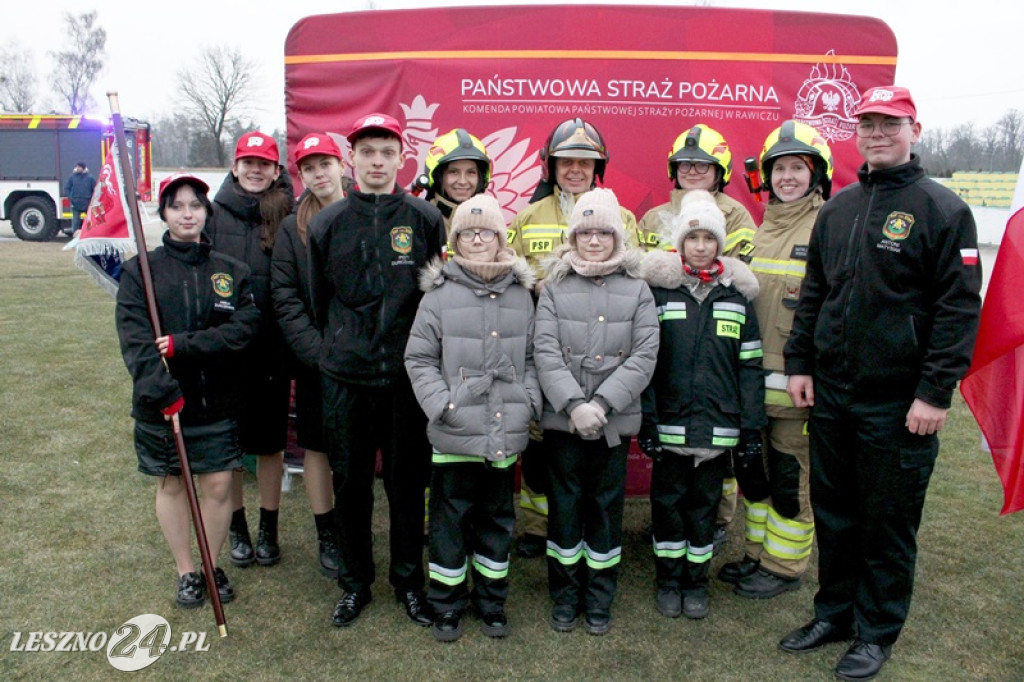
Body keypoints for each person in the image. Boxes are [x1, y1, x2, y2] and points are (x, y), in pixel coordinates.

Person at [781, 86, 982, 681]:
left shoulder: (943, 209)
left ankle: (876, 631)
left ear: (914, 129)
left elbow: (958, 310)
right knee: (836, 514)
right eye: (868, 124)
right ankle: (834, 614)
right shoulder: (838, 209)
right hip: (835, 395)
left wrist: (934, 391)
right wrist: (800, 363)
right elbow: (813, 293)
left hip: (899, 403)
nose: (877, 134)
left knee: (887, 523)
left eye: (889, 124)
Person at [308, 112, 445, 629]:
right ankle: (355, 583)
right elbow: (321, 302)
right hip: (346, 378)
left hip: (407, 380)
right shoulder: (326, 223)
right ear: (353, 159)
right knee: (351, 485)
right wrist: (343, 346)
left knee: (407, 485)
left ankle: (409, 583)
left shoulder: (424, 219)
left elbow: (433, 294)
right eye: (367, 152)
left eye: (387, 152)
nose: (377, 161)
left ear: (402, 157)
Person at [115, 173, 260, 607]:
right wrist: (163, 392)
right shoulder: (140, 270)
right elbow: (136, 341)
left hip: (216, 399)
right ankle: (187, 571)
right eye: (177, 206)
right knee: (173, 485)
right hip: (164, 404)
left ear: (206, 213)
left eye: (195, 205)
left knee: (217, 485)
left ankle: (211, 565)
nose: (187, 213)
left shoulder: (231, 271)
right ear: (163, 214)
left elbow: (244, 329)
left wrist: (186, 345)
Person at [405, 193, 541, 642]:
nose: (477, 239)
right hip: (454, 431)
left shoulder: (522, 294)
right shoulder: (439, 294)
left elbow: (533, 356)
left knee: (497, 520)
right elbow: (419, 358)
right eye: (466, 232)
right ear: (455, 240)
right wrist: (442, 404)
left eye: (486, 232)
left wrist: (529, 400)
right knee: (448, 523)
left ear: (501, 237)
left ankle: (491, 603)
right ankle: (446, 603)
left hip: (504, 430)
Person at [508, 117, 641, 560]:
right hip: (542, 351)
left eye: (585, 163)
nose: (575, 171)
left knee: (593, 458)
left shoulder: (622, 218)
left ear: (597, 167)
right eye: (567, 162)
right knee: (541, 444)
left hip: (604, 354)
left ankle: (585, 528)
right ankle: (536, 527)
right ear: (551, 166)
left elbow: (634, 281)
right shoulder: (527, 218)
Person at [533, 188, 659, 635]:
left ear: (616, 237)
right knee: (565, 507)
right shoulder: (554, 290)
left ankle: (599, 596)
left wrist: (602, 405)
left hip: (612, 422)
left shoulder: (639, 290)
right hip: (564, 423)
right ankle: (566, 595)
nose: (592, 241)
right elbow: (544, 352)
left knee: (606, 508)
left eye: (602, 232)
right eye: (583, 232)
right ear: (572, 238)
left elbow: (644, 356)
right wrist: (573, 405)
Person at [718, 121, 833, 600]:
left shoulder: (828, 227)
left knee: (789, 479)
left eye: (797, 168)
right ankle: (757, 555)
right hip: (751, 387)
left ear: (816, 174)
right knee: (756, 477)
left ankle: (785, 567)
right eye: (779, 168)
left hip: (794, 388)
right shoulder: (758, 231)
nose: (787, 177)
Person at [638, 190, 765, 620]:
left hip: (718, 431)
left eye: (709, 239)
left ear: (720, 245)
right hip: (671, 429)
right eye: (692, 238)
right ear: (679, 245)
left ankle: (696, 582)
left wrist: (750, 430)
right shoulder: (659, 297)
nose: (701, 246)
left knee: (703, 509)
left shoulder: (738, 300)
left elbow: (750, 370)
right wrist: (649, 423)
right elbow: (647, 367)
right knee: (668, 505)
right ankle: (668, 580)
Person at [637, 123, 758, 550]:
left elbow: (736, 276)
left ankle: (716, 520)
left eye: (703, 164)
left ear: (719, 170)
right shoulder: (653, 217)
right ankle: (670, 529)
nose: (692, 170)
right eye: (685, 163)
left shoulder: (737, 216)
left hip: (715, 331)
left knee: (713, 450)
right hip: (669, 334)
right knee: (673, 462)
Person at [205, 131, 295, 570]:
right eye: (248, 162)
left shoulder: (289, 213)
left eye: (264, 163)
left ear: (276, 170)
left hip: (273, 349)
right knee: (234, 445)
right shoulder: (211, 213)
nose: (256, 170)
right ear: (235, 166)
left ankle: (269, 528)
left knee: (270, 445)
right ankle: (238, 527)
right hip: (227, 353)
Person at [271, 133, 346, 577]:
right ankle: (328, 534)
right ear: (301, 176)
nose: (320, 173)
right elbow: (284, 296)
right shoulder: (290, 229)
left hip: (364, 357)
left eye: (326, 164)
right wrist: (317, 353)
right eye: (310, 167)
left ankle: (358, 527)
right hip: (318, 360)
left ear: (342, 165)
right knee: (316, 447)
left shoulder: (366, 212)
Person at [420, 128, 492, 231]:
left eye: (471, 172)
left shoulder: (491, 221)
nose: (462, 181)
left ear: (481, 178)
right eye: (453, 172)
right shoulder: (421, 220)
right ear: (438, 177)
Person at [65, 161, 96, 236]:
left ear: (83, 168)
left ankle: (90, 234)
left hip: (87, 203)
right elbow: (67, 188)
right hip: (75, 203)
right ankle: (75, 236)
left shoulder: (90, 178)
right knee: (75, 222)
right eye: (77, 166)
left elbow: (95, 190)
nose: (77, 168)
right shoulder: (72, 177)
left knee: (89, 220)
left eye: (79, 167)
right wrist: (70, 198)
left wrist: (92, 200)